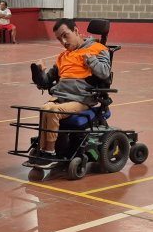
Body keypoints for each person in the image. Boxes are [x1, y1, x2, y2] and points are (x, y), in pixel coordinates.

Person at [27, 18, 112, 169]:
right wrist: (39, 73)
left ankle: (50, 153)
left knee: (53, 111)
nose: (63, 42)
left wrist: (91, 61)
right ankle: (42, 151)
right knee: (45, 108)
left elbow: (105, 72)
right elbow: (46, 82)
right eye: (59, 39)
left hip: (81, 100)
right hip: (61, 98)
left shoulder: (98, 49)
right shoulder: (63, 56)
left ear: (76, 31)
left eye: (65, 35)